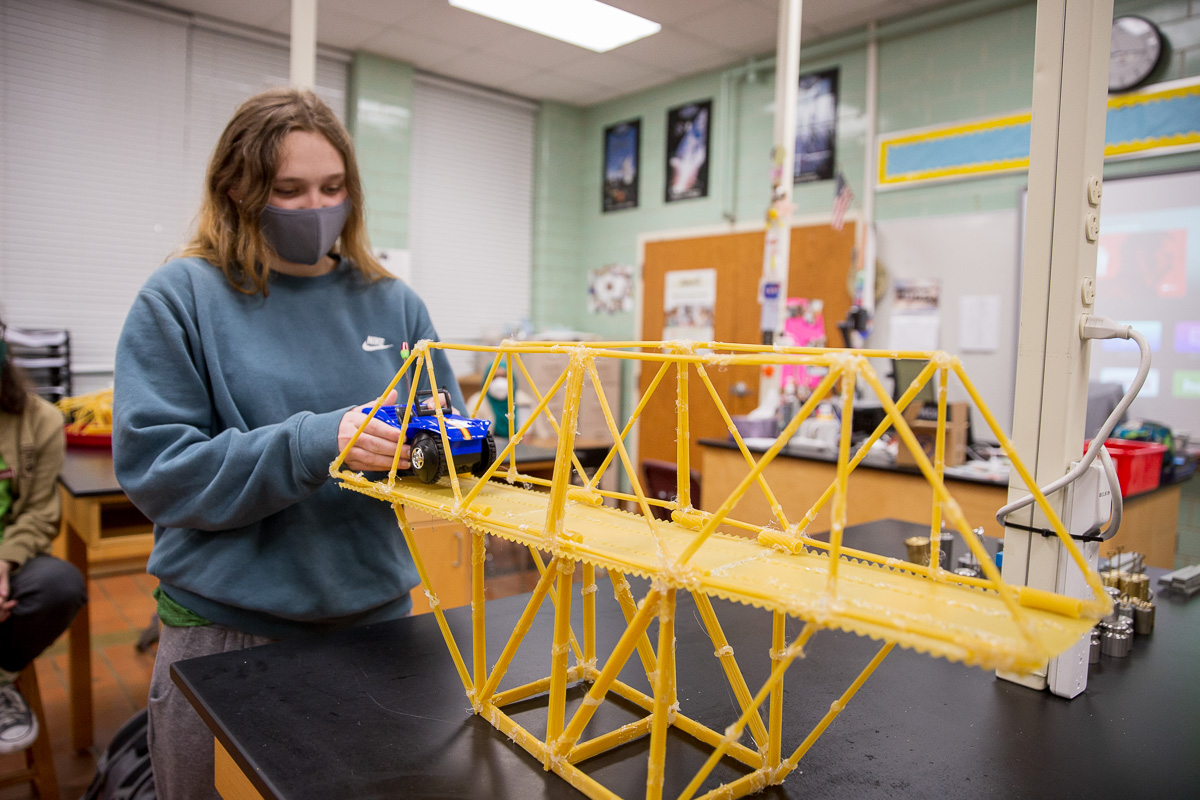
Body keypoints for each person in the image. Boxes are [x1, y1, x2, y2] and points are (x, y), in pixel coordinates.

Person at [112, 88, 464, 800]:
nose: (316, 208)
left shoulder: (394, 303)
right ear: (238, 189)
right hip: (225, 634)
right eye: (289, 190)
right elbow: (158, 473)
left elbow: (443, 468)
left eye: (333, 188)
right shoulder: (182, 297)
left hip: (379, 627)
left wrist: (451, 447)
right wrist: (315, 443)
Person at [0, 322, 88, 753]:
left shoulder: (40, 420)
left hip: (7, 565)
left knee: (59, 585)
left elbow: (38, 513)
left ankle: (1, 679)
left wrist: (2, 566)